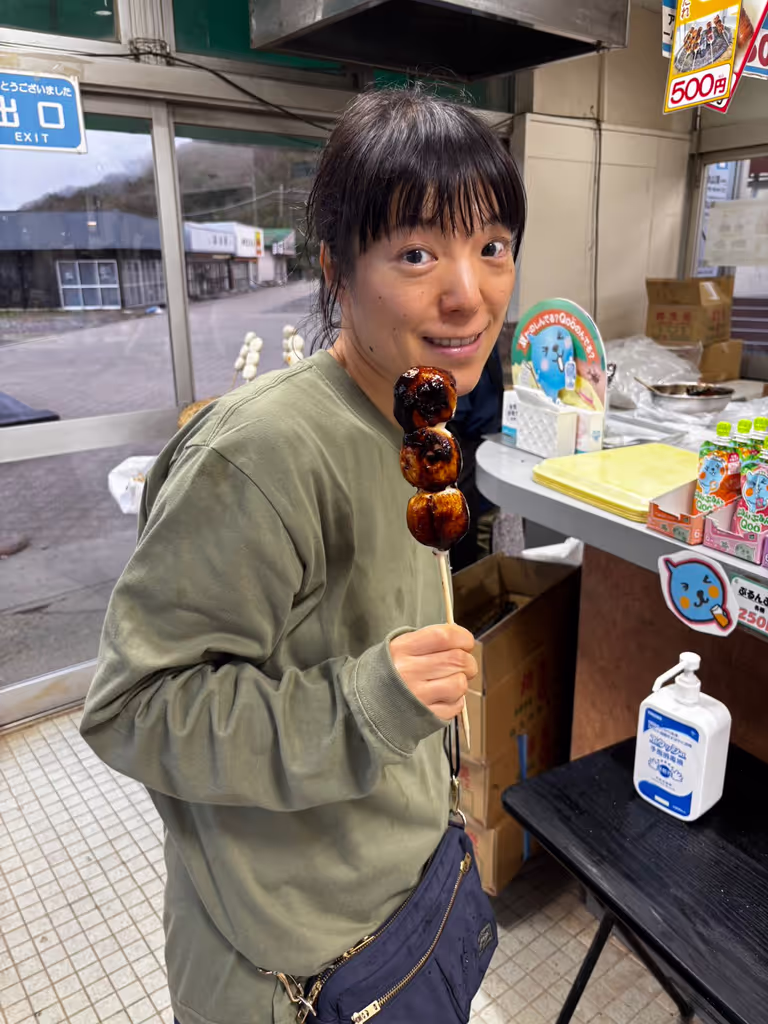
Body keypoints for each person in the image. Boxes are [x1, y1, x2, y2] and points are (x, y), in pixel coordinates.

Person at [80, 87, 526, 1024]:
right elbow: (130, 708)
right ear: (334, 266)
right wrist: (367, 702)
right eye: (416, 252)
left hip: (410, 894)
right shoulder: (262, 456)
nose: (468, 291)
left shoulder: (415, 411)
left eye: (491, 246)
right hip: (301, 968)